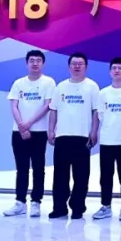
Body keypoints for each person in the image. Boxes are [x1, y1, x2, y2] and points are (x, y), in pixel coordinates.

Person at [48, 52, 99, 220]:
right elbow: (53, 110)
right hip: (63, 136)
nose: (77, 66)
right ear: (69, 66)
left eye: (80, 64)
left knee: (81, 175)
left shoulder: (92, 86)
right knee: (60, 175)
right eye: (74, 64)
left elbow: (96, 111)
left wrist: (94, 131)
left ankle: (78, 207)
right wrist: (51, 130)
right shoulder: (61, 87)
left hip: (82, 136)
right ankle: (59, 208)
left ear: (86, 67)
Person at [4, 49, 55, 218]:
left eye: (38, 60)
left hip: (39, 132)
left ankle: (36, 202)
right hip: (18, 132)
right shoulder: (19, 83)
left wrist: (28, 124)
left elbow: (47, 106)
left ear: (43, 63)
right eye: (32, 60)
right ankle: (20, 202)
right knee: (22, 168)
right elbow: (14, 106)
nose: (35, 63)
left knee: (38, 168)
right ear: (27, 63)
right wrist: (21, 126)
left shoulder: (48, 82)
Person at [92, 57, 121, 222]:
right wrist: (95, 133)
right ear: (110, 71)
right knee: (106, 175)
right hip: (107, 140)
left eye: (120, 68)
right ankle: (106, 206)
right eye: (114, 68)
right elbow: (99, 115)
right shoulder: (103, 93)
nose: (117, 71)